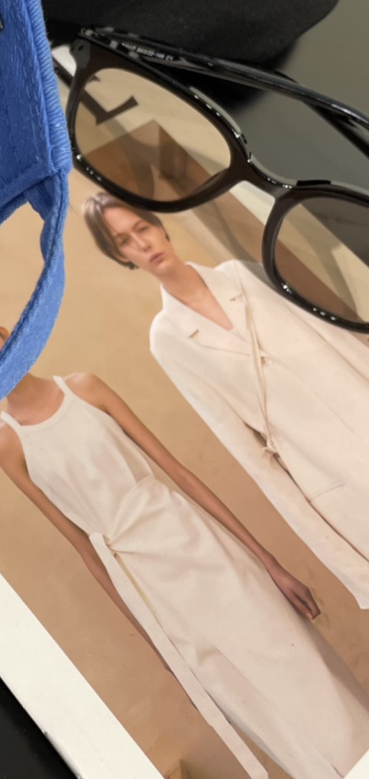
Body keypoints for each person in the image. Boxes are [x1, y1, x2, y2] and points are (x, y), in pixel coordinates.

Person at [0, 307, 369, 779]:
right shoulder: (6, 444)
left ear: (5, 333)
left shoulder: (84, 388)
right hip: (147, 587)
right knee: (253, 702)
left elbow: (179, 473)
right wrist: (159, 649)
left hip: (197, 542)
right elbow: (82, 547)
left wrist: (269, 563)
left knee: (301, 664)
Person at [83, 191, 369, 608]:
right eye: (124, 242)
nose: (142, 243)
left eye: (142, 227)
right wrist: (354, 572)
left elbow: (340, 342)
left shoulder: (246, 275)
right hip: (329, 477)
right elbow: (248, 453)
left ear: (159, 225)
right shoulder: (169, 339)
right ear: (120, 256)